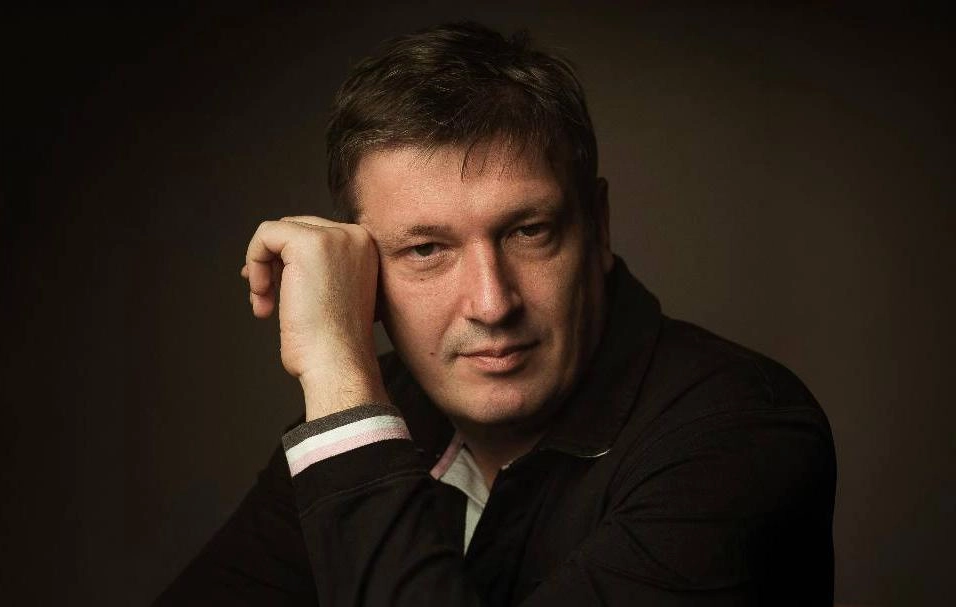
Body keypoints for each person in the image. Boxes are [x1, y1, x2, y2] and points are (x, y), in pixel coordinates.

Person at [157, 21, 836, 606]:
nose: (492, 303)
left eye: (528, 231)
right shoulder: (377, 414)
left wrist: (336, 368)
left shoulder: (741, 433)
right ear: (364, 272)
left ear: (598, 227)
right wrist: (345, 387)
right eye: (426, 249)